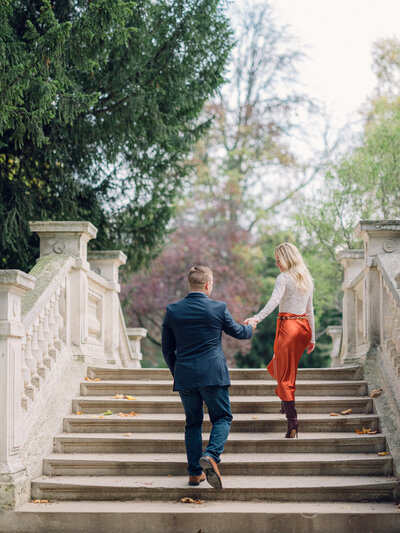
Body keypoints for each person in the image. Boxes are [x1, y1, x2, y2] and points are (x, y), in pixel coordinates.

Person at [162, 265, 256, 489]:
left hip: (186, 375)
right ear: (207, 285)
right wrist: (251, 326)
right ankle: (212, 456)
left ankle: (195, 473)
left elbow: (167, 349)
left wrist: (178, 372)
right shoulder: (218, 308)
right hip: (213, 374)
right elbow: (239, 332)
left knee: (192, 424)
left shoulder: (173, 310)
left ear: (190, 284)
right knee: (222, 418)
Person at [245, 243, 315, 439]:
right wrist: (313, 337)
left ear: (288, 258)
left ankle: (292, 421)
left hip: (288, 327)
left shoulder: (283, 278)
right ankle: (285, 404)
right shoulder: (307, 279)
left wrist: (256, 318)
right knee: (281, 366)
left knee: (285, 376)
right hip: (303, 329)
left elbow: (274, 301)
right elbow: (310, 311)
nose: (277, 264)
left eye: (279, 259)